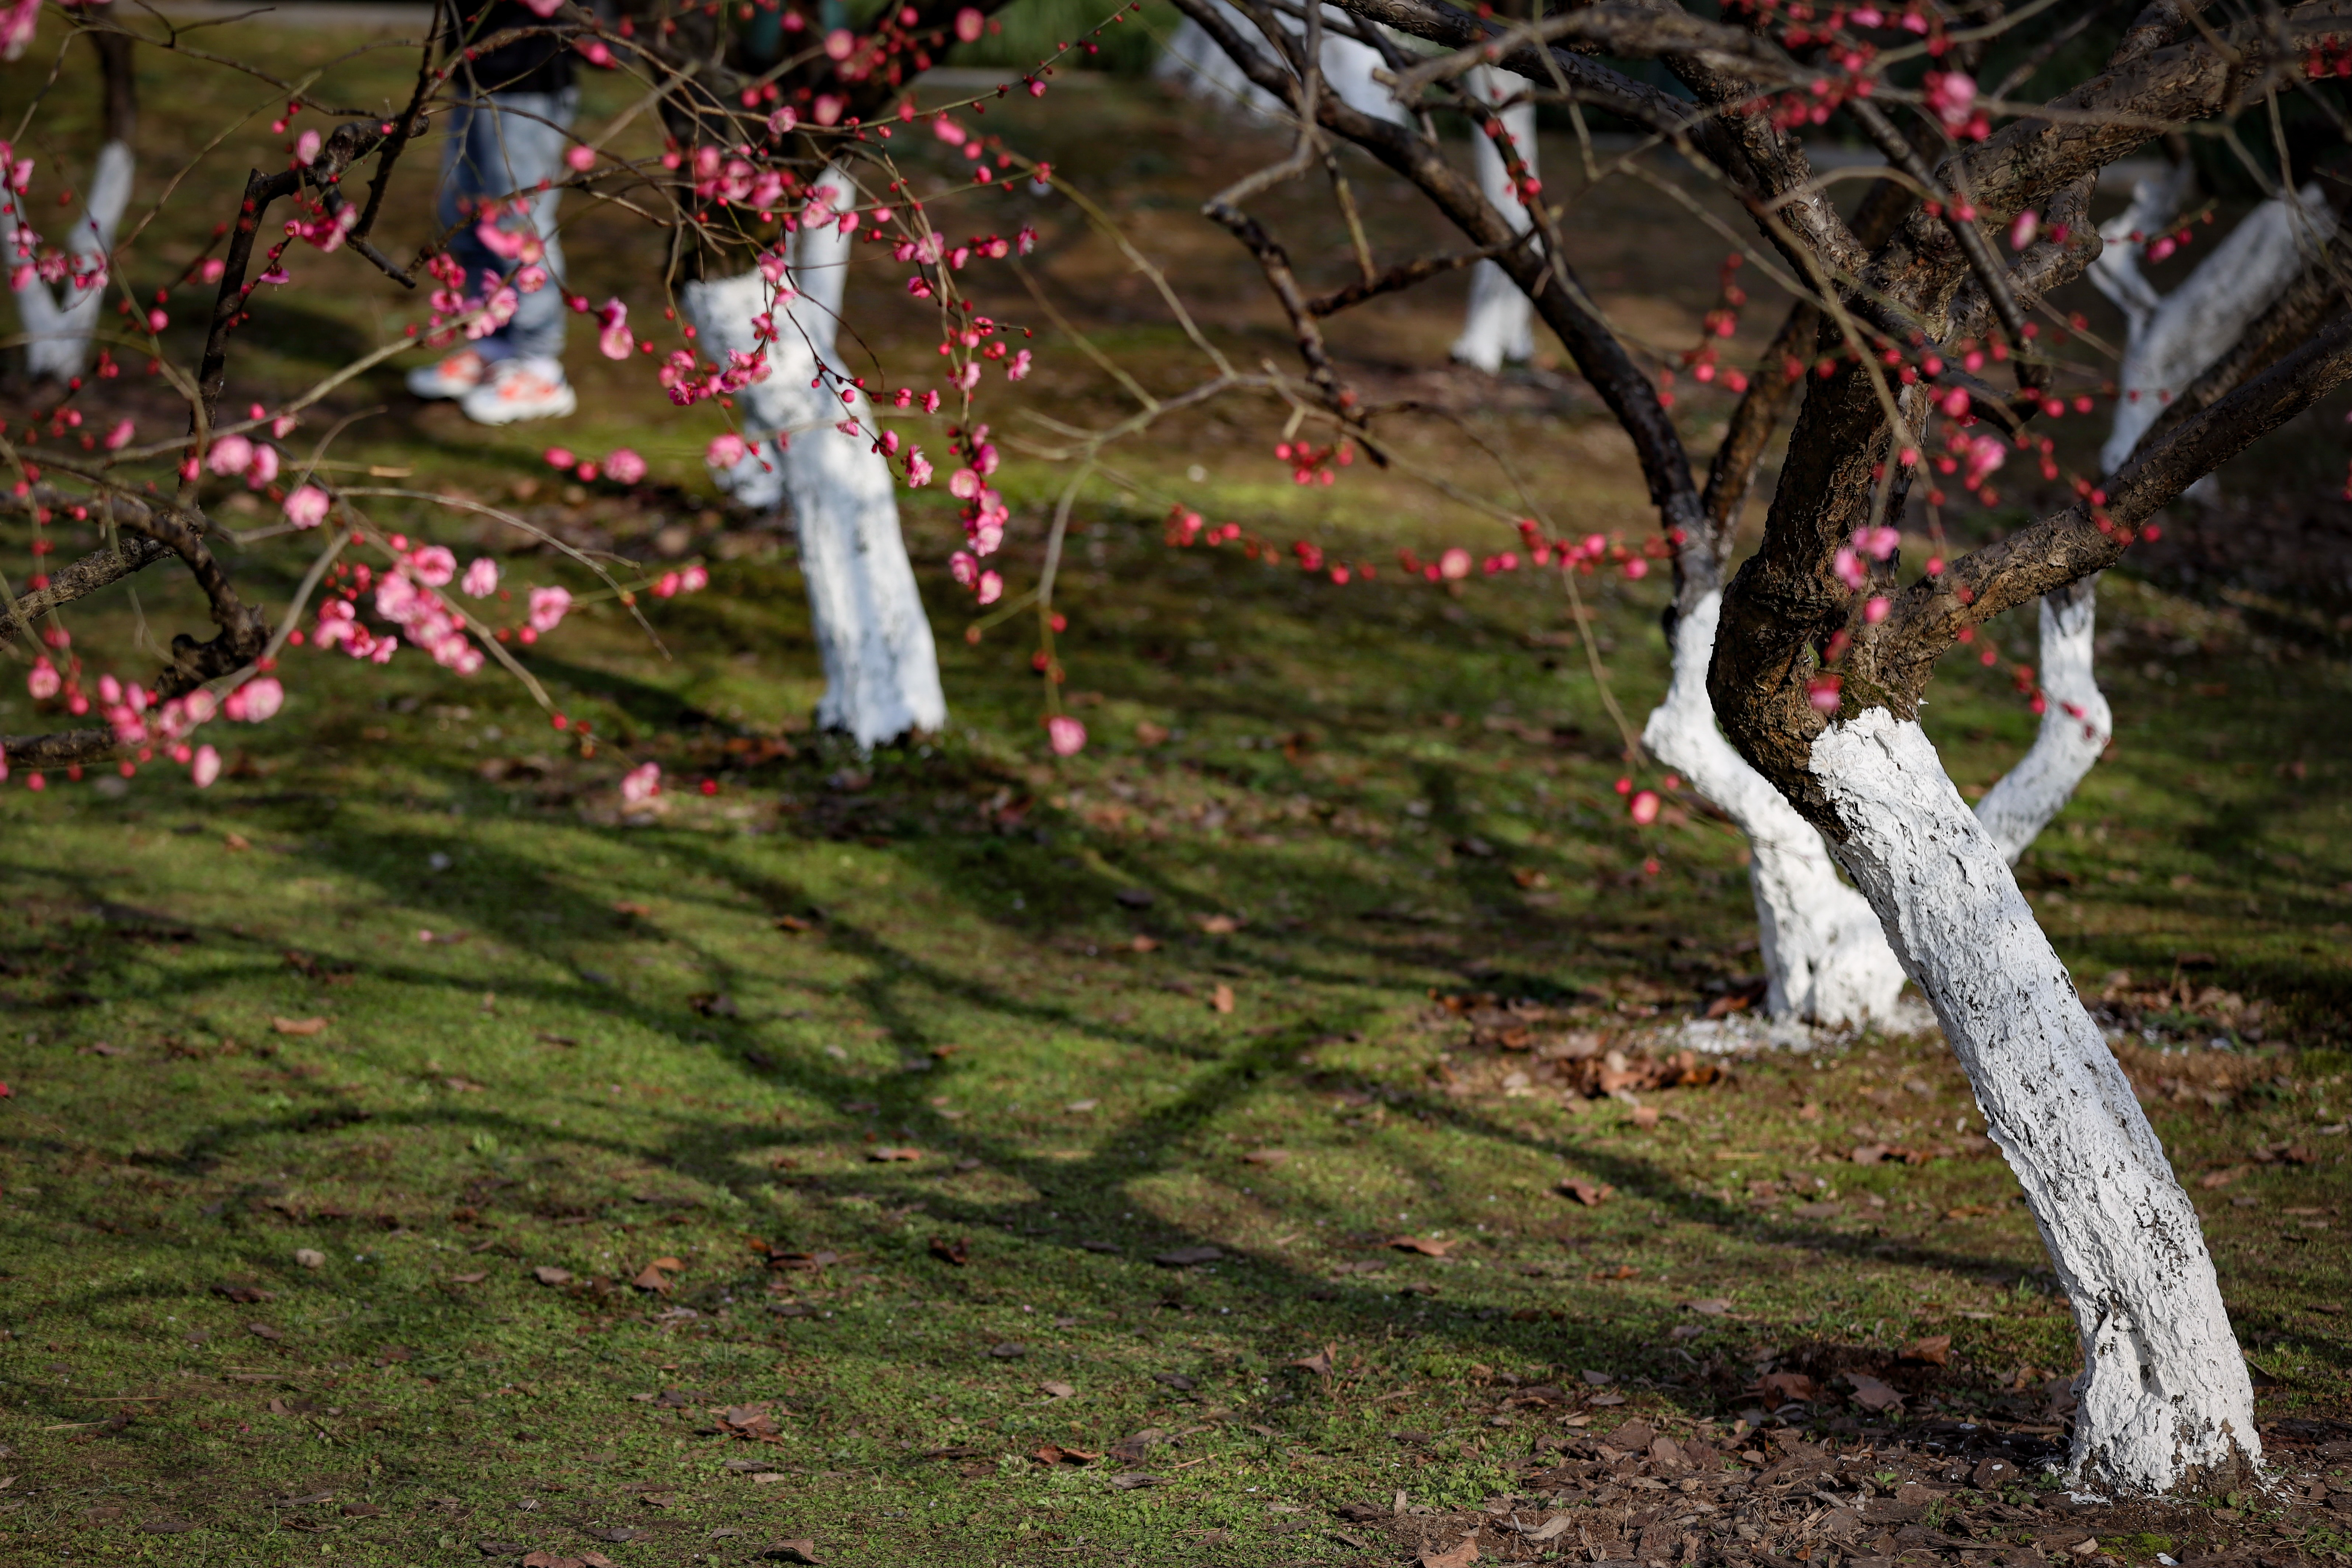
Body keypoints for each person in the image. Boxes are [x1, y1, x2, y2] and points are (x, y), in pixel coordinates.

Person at [405, 0, 580, 424]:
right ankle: (494, 346)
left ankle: (539, 367)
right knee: (462, 214)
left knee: (517, 224)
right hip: (477, 64)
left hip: (531, 75)